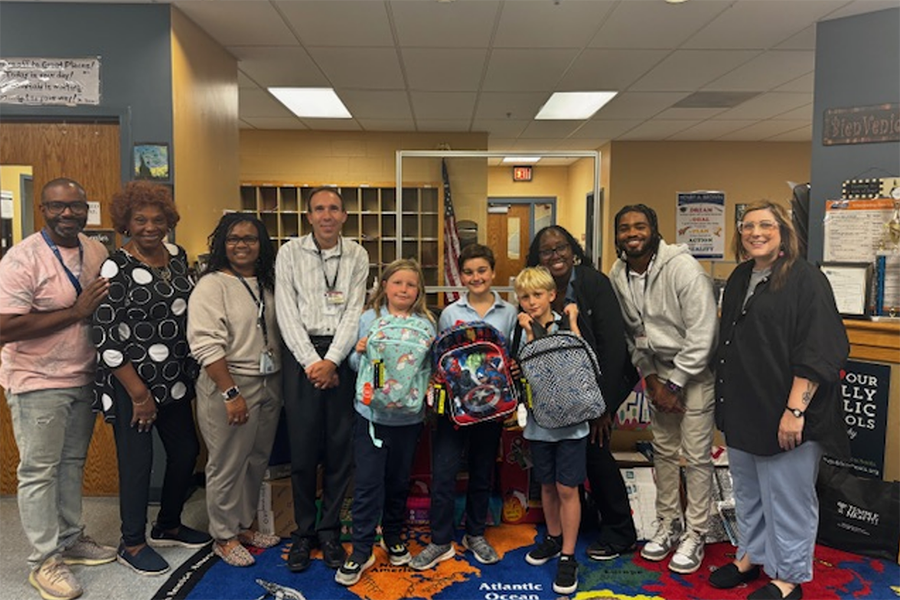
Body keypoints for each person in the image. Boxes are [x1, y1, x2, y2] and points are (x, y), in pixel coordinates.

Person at [709, 201, 849, 600]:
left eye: (766, 225)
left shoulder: (806, 279)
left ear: (783, 231)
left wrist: (794, 411)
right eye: (749, 225)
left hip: (788, 413)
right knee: (749, 493)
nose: (756, 232)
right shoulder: (739, 277)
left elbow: (821, 349)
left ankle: (788, 577)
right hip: (743, 408)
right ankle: (751, 556)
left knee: (788, 498)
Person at [0, 178, 115, 600]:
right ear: (42, 209)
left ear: (87, 208)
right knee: (38, 471)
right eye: (57, 207)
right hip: (36, 381)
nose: (68, 214)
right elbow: (4, 327)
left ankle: (70, 539)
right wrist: (75, 311)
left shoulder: (95, 250)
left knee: (71, 464)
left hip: (82, 375)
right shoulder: (21, 259)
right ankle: (42, 560)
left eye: (76, 207)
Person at [92, 181, 211, 577]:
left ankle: (169, 524)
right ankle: (132, 541)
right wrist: (138, 393)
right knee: (137, 463)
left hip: (174, 379)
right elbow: (105, 335)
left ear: (169, 222)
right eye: (139, 219)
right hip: (132, 384)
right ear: (125, 223)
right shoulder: (115, 266)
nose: (149, 226)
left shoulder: (178, 257)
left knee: (184, 452)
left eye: (158, 219)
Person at [609, 205, 717, 574]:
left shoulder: (683, 268)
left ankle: (696, 532)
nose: (631, 233)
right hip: (656, 372)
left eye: (640, 226)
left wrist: (676, 383)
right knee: (664, 452)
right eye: (624, 228)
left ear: (654, 230)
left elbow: (703, 334)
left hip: (695, 372)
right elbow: (631, 335)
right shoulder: (618, 274)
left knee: (697, 456)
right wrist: (651, 380)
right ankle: (669, 523)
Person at [526, 226, 638, 562]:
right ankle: (582, 522)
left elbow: (614, 348)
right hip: (558, 400)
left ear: (573, 251)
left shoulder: (592, 284)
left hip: (599, 391)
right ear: (537, 259)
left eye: (561, 248)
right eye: (547, 251)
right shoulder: (538, 291)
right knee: (565, 469)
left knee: (597, 456)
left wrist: (601, 408)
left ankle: (620, 534)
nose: (555, 255)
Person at [275, 186, 369, 573]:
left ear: (344, 216)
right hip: (302, 357)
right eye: (319, 209)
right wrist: (313, 362)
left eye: (334, 209)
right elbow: (285, 310)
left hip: (342, 357)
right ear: (309, 216)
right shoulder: (289, 252)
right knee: (303, 451)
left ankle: (329, 532)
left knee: (338, 451)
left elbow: (354, 311)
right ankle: (304, 532)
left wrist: (332, 361)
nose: (327, 215)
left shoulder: (357, 254)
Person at [410, 244, 518, 571]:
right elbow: (441, 359)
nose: (476, 277)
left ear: (493, 272)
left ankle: (475, 534)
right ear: (462, 275)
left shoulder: (509, 312)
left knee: (482, 471)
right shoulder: (450, 312)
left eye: (482, 271)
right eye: (469, 272)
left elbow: (510, 356)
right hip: (454, 408)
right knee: (443, 473)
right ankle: (440, 540)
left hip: (491, 405)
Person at [187, 213, 283, 567]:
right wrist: (230, 393)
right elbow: (206, 344)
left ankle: (242, 525)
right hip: (229, 383)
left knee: (257, 458)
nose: (241, 245)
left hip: (269, 381)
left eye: (250, 239)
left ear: (262, 245)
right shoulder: (212, 285)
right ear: (221, 245)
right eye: (233, 239)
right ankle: (223, 536)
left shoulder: (267, 282)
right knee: (227, 463)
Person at [335, 259, 436, 586]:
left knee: (397, 482)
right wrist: (359, 350)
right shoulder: (368, 318)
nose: (403, 289)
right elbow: (353, 363)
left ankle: (392, 536)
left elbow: (430, 370)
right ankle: (361, 548)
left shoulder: (427, 322)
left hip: (409, 418)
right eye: (397, 283)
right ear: (385, 286)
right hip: (372, 418)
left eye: (410, 284)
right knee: (367, 484)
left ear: (418, 290)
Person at [515, 266, 584, 596]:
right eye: (525, 297)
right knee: (546, 485)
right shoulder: (522, 328)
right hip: (539, 425)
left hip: (571, 425)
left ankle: (569, 555)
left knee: (567, 487)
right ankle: (554, 539)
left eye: (537, 295)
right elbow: (525, 370)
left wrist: (570, 324)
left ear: (552, 295)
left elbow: (575, 362)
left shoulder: (563, 326)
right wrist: (525, 335)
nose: (531, 302)